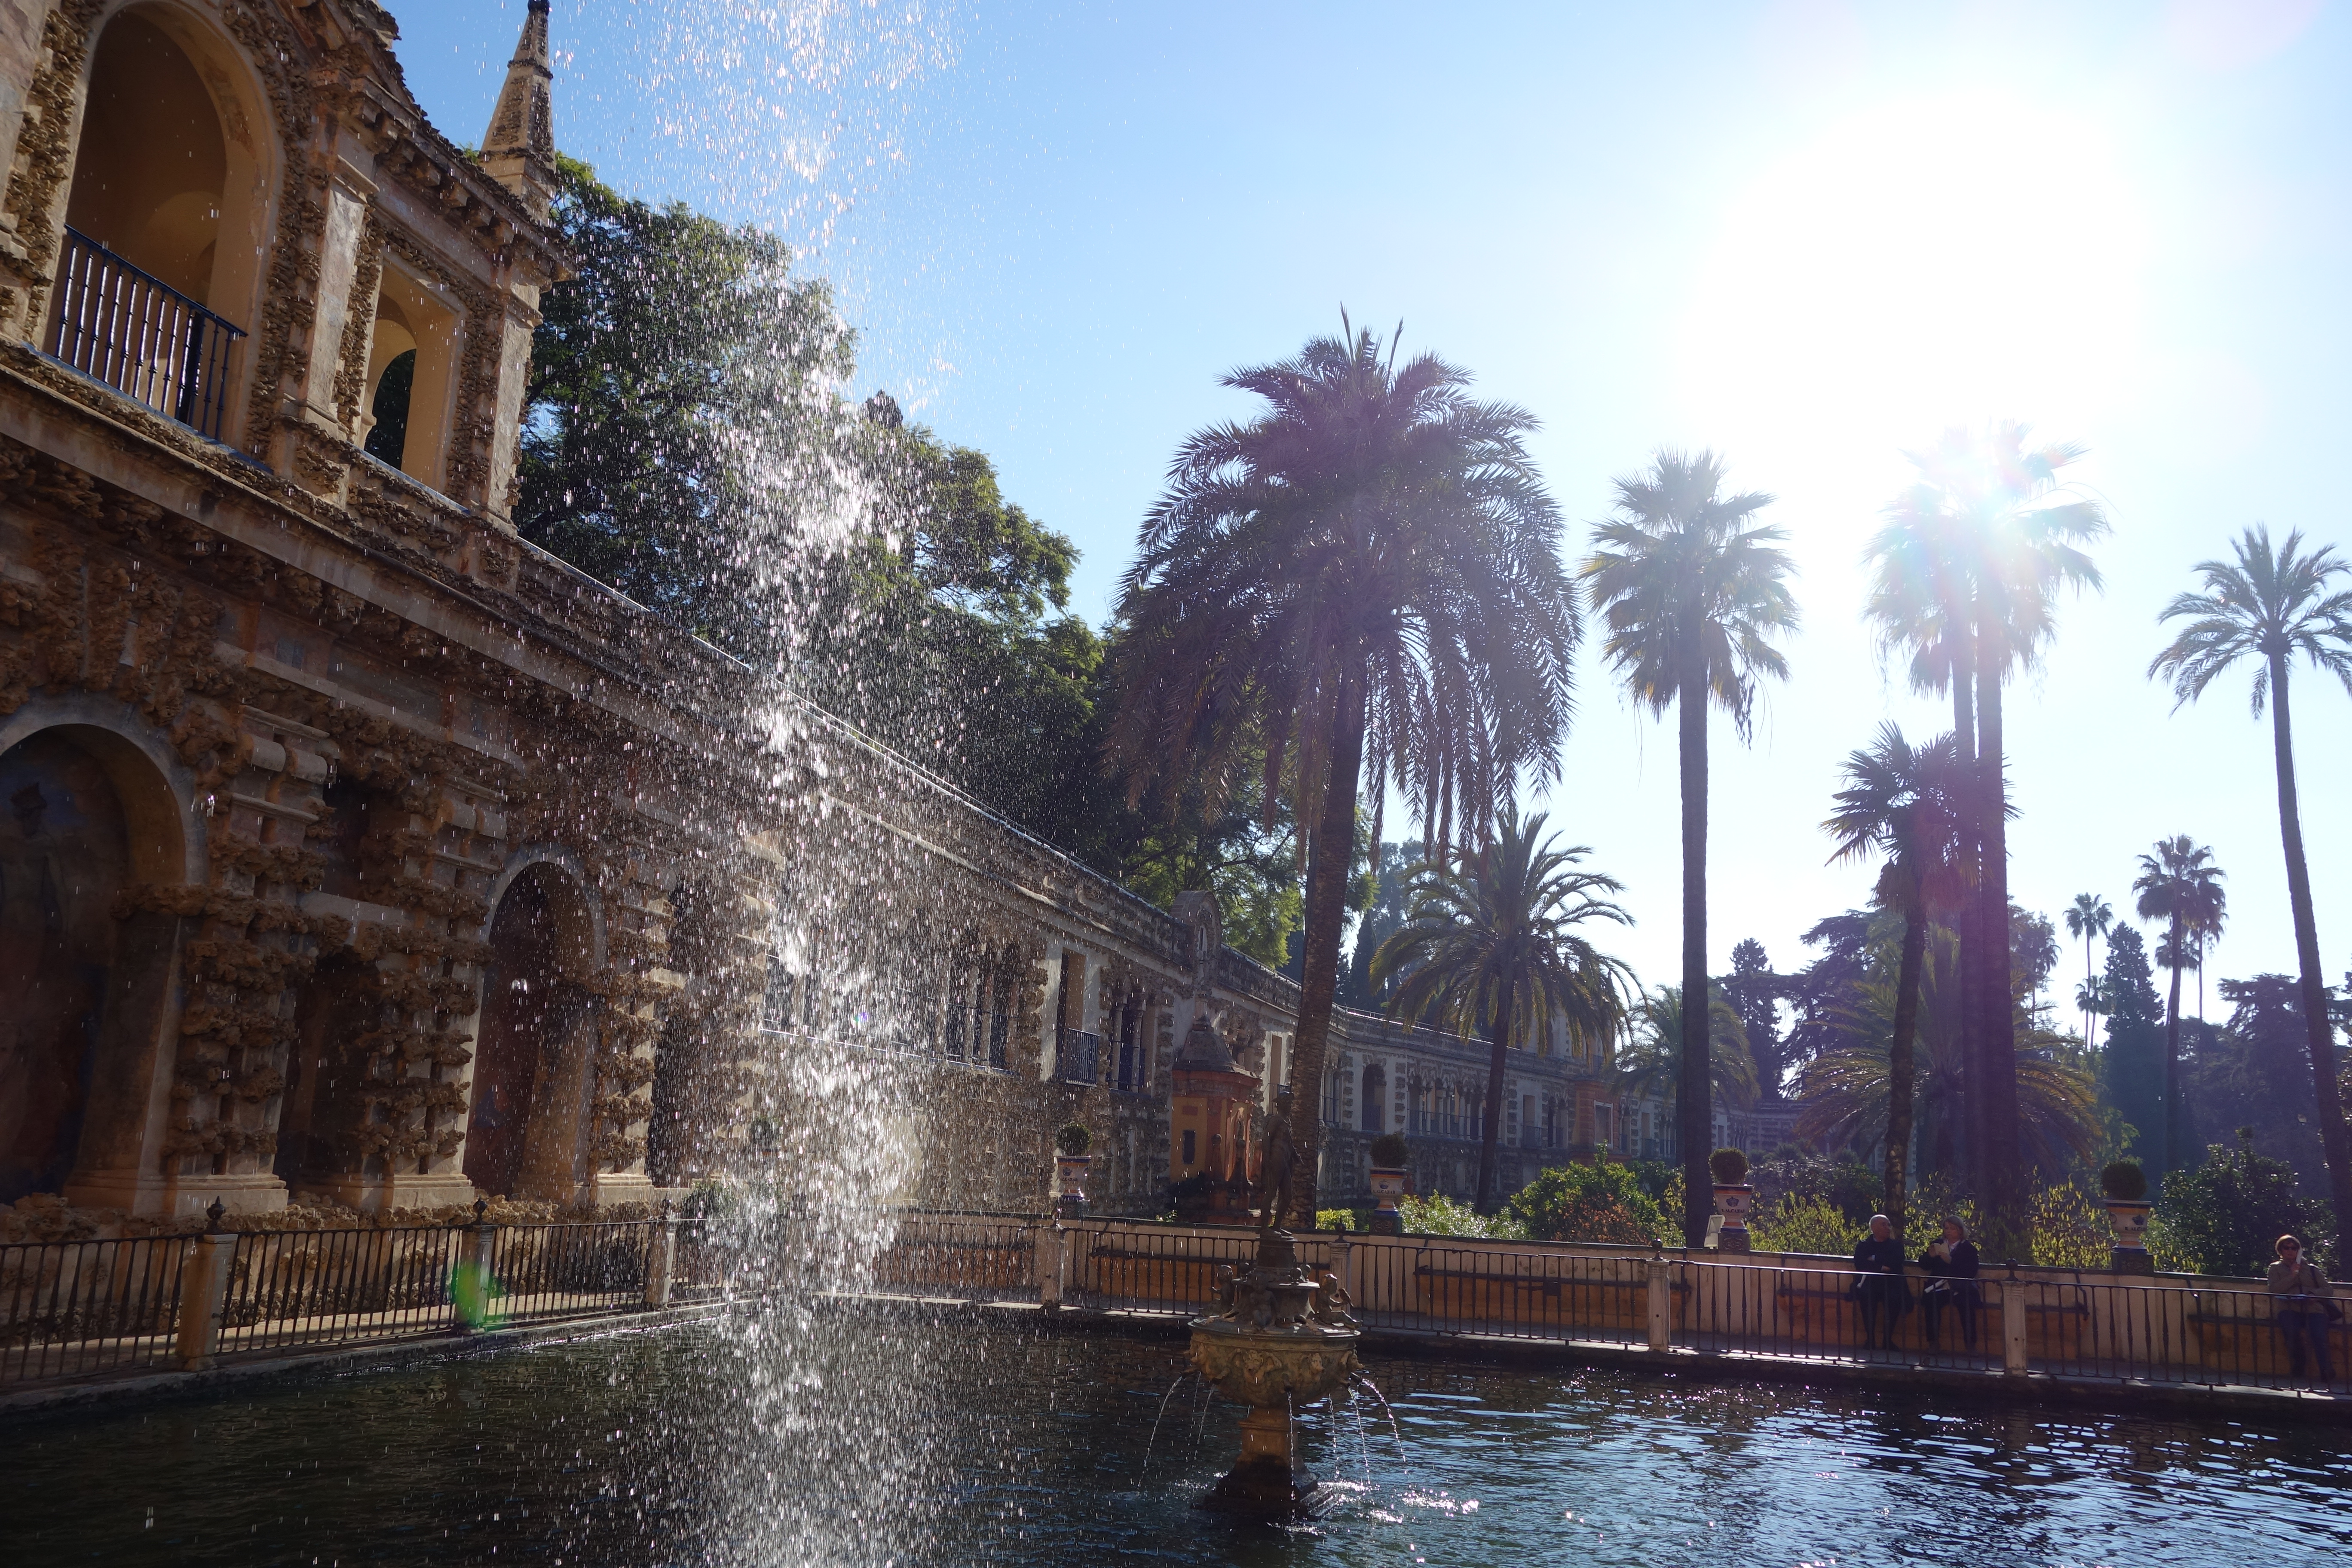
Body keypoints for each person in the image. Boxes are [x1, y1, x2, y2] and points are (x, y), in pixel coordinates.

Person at [2266, 1234, 2337, 1384]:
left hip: (2313, 1309)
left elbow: (2328, 1290)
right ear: (2281, 1250)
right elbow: (2274, 1289)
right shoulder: (2275, 1268)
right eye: (2287, 1248)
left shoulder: (2312, 1269)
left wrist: (2313, 1295)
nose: (2291, 1251)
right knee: (2291, 1332)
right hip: (2289, 1308)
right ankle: (2299, 1364)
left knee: (2318, 1335)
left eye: (2294, 1248)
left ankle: (2326, 1370)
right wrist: (2292, 1276)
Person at [1916, 1216, 1981, 1351]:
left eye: (1953, 1229)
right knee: (1932, 1304)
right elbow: (1924, 1265)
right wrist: (1930, 1256)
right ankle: (1933, 1343)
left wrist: (1951, 1262)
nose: (1949, 1232)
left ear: (1960, 1231)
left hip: (1961, 1287)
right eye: (1947, 1228)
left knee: (1967, 1305)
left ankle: (1970, 1345)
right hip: (1939, 1286)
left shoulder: (1968, 1248)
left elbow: (1972, 1271)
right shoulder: (1938, 1244)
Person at [1850, 1213, 1910, 1351]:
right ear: (1873, 1228)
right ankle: (1870, 1340)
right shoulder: (1864, 1245)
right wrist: (1883, 1266)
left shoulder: (1896, 1246)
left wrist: (1875, 1259)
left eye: (1888, 1225)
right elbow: (1860, 1264)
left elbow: (1896, 1264)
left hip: (1891, 1284)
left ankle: (1887, 1341)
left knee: (1895, 1299)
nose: (1888, 1228)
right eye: (1884, 1225)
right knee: (1866, 1297)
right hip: (1869, 1283)